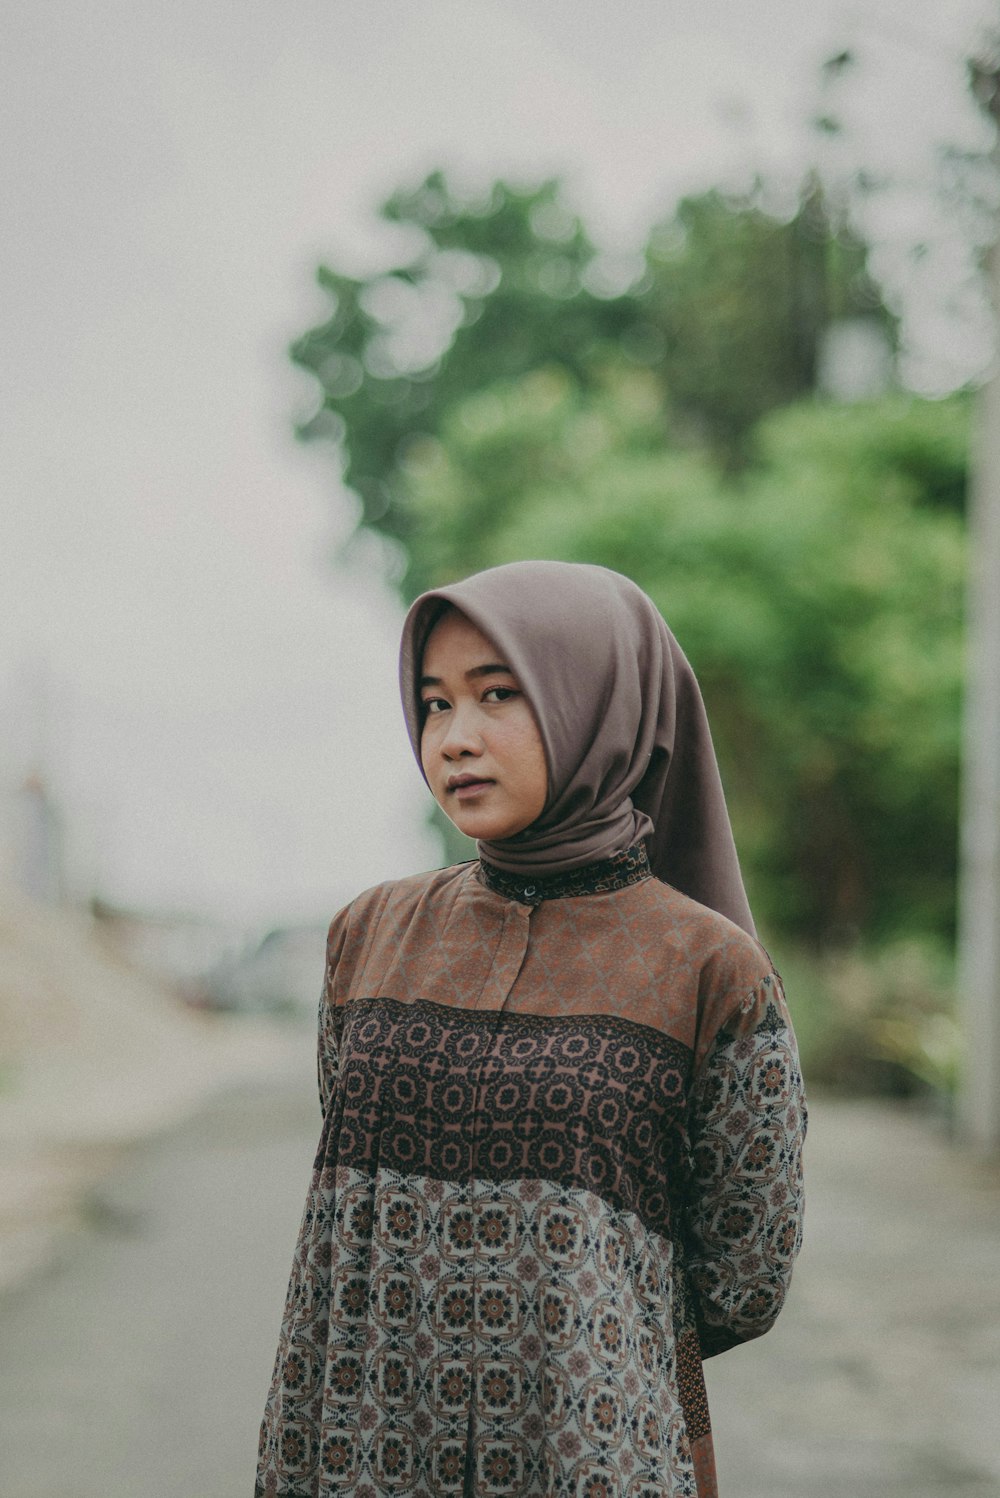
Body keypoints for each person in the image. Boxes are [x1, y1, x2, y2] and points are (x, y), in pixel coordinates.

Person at [256, 560, 806, 1498]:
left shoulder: (711, 971)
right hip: (356, 1450)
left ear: (598, 704)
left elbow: (744, 1273)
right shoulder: (369, 935)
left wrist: (576, 1324)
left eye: (497, 695)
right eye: (433, 705)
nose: (455, 739)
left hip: (584, 1451)